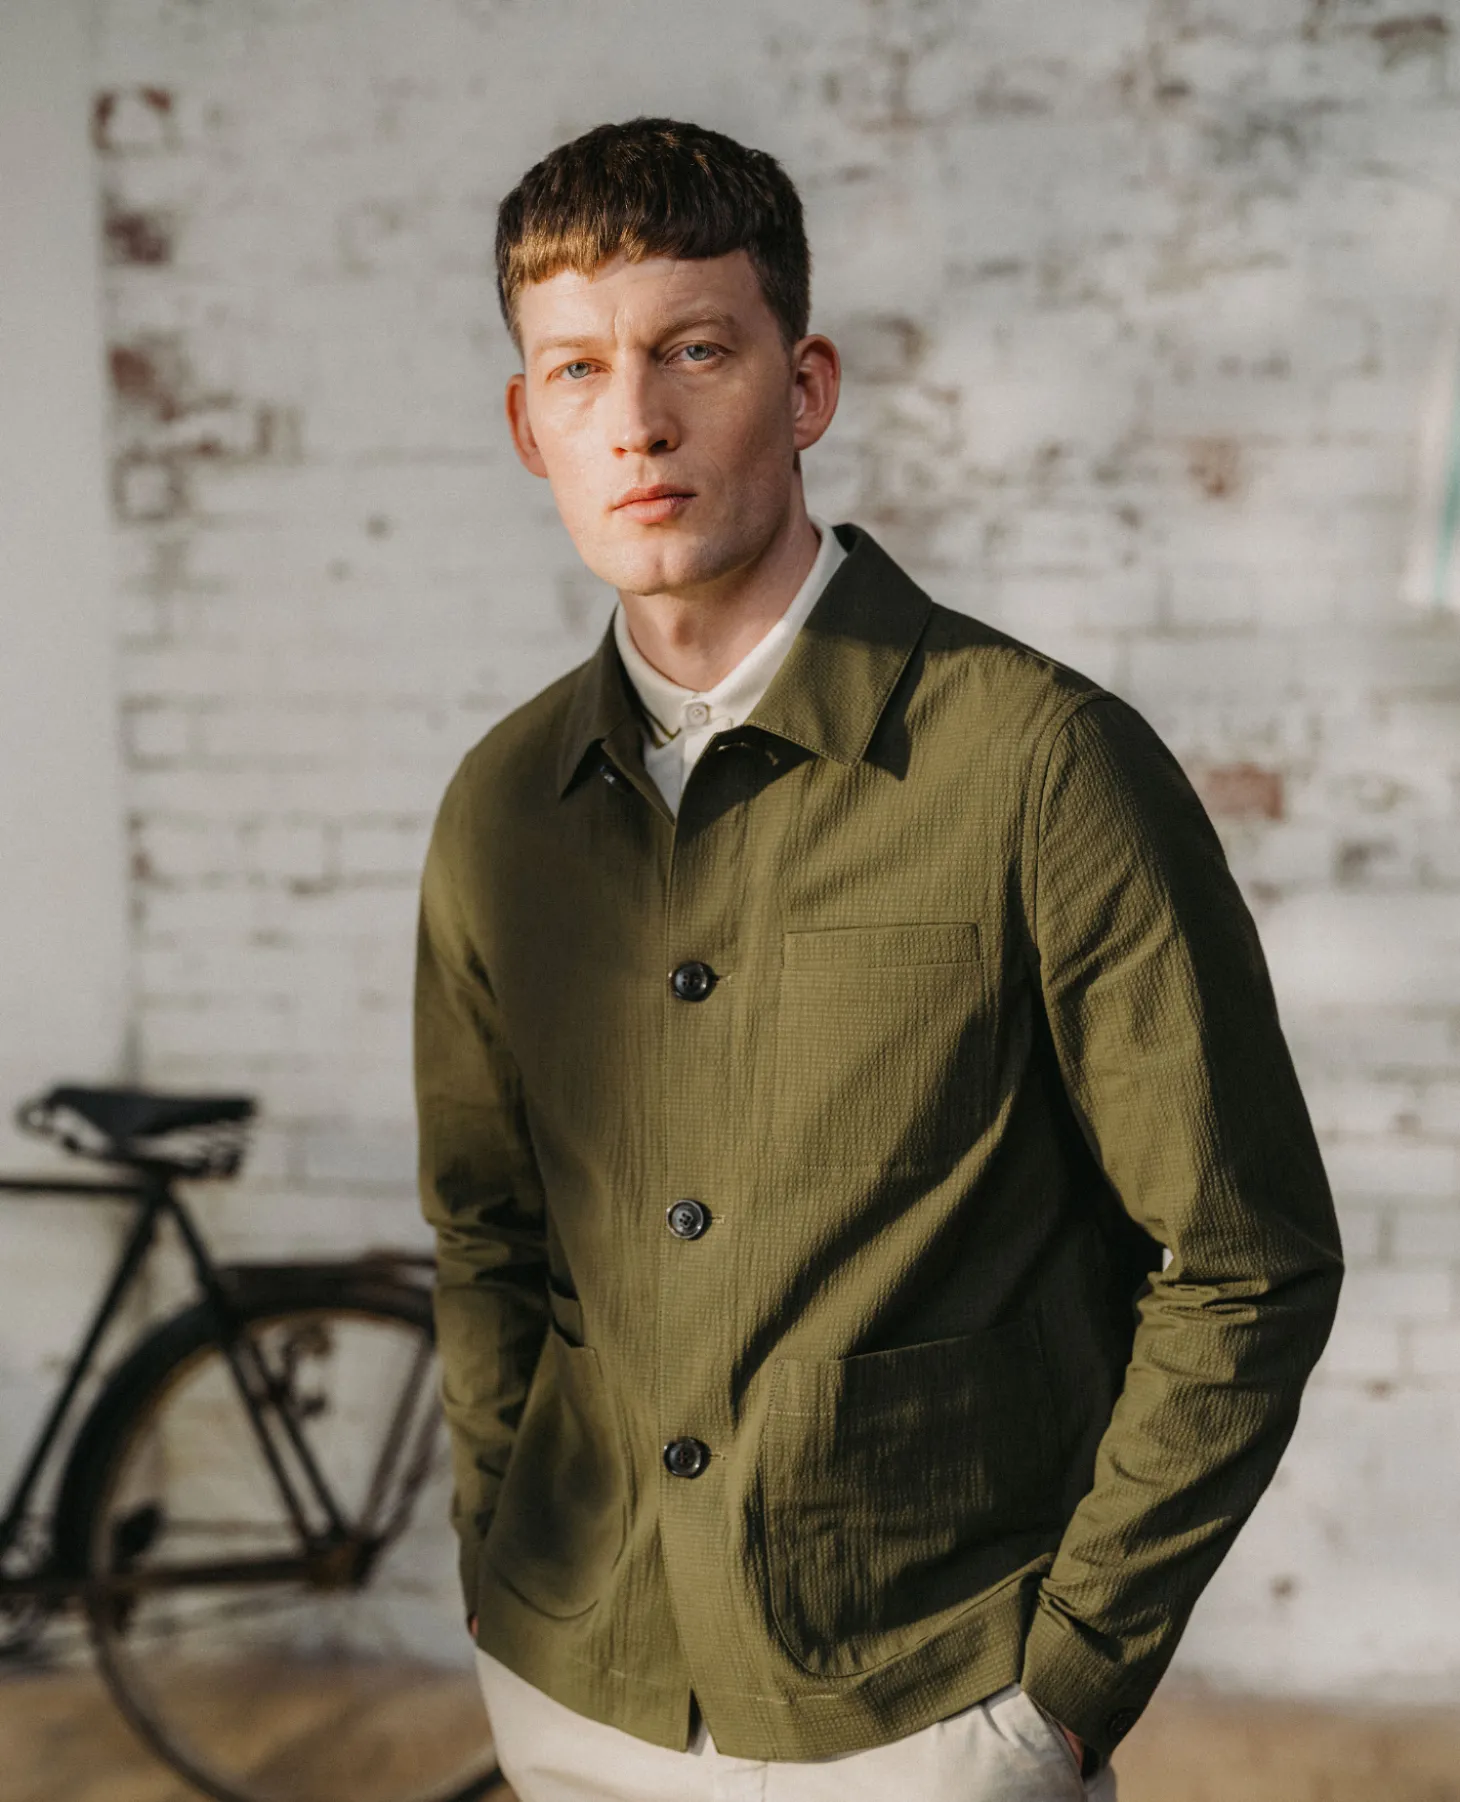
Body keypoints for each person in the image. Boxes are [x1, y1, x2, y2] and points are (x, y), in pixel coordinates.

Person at [414, 116, 1342, 1802]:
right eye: (577, 369)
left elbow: (1243, 1255)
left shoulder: (1041, 763)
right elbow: (488, 1234)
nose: (636, 419)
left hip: (933, 1706)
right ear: (527, 423)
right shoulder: (500, 809)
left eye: (697, 350)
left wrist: (1067, 1686)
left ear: (808, 385)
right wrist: (501, 1554)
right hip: (577, 1688)